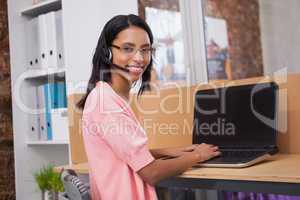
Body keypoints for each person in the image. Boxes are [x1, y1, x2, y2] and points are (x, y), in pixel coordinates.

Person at [77, 14, 220, 200]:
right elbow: (150, 173)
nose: (139, 58)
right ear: (107, 52)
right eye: (128, 49)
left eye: (145, 50)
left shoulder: (107, 96)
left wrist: (168, 152)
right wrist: (198, 156)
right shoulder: (106, 103)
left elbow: (124, 156)